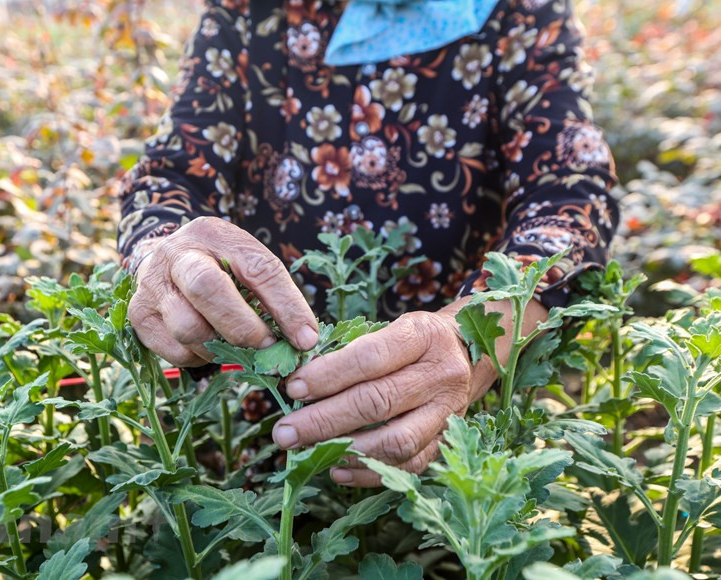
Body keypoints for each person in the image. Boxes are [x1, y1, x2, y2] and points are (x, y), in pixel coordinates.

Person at [118, 0, 618, 487]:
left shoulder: (518, 11)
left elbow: (569, 190)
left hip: (453, 429)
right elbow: (169, 175)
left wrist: (474, 340)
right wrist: (166, 252)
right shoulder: (249, 11)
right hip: (259, 420)